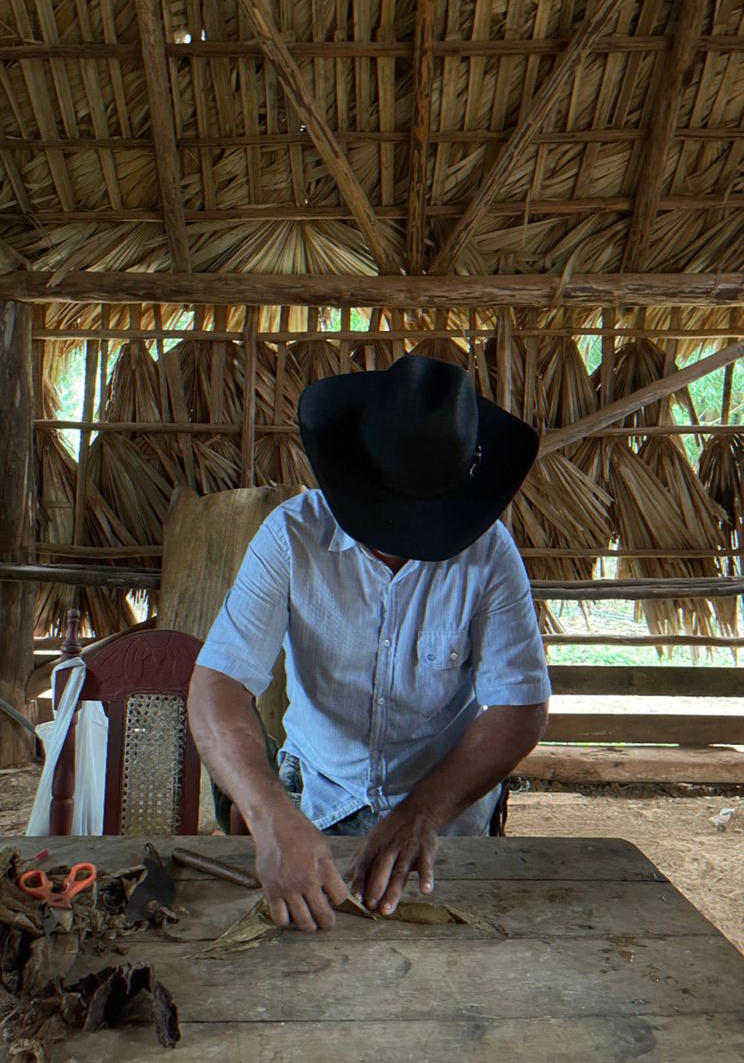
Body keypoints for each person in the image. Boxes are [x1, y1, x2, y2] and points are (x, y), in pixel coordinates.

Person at [188, 354, 551, 933]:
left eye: (421, 519)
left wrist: (422, 812)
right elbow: (218, 685)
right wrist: (271, 816)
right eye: (383, 513)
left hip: (446, 812)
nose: (398, 537)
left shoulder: (489, 554)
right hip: (320, 796)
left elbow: (520, 706)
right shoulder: (290, 536)